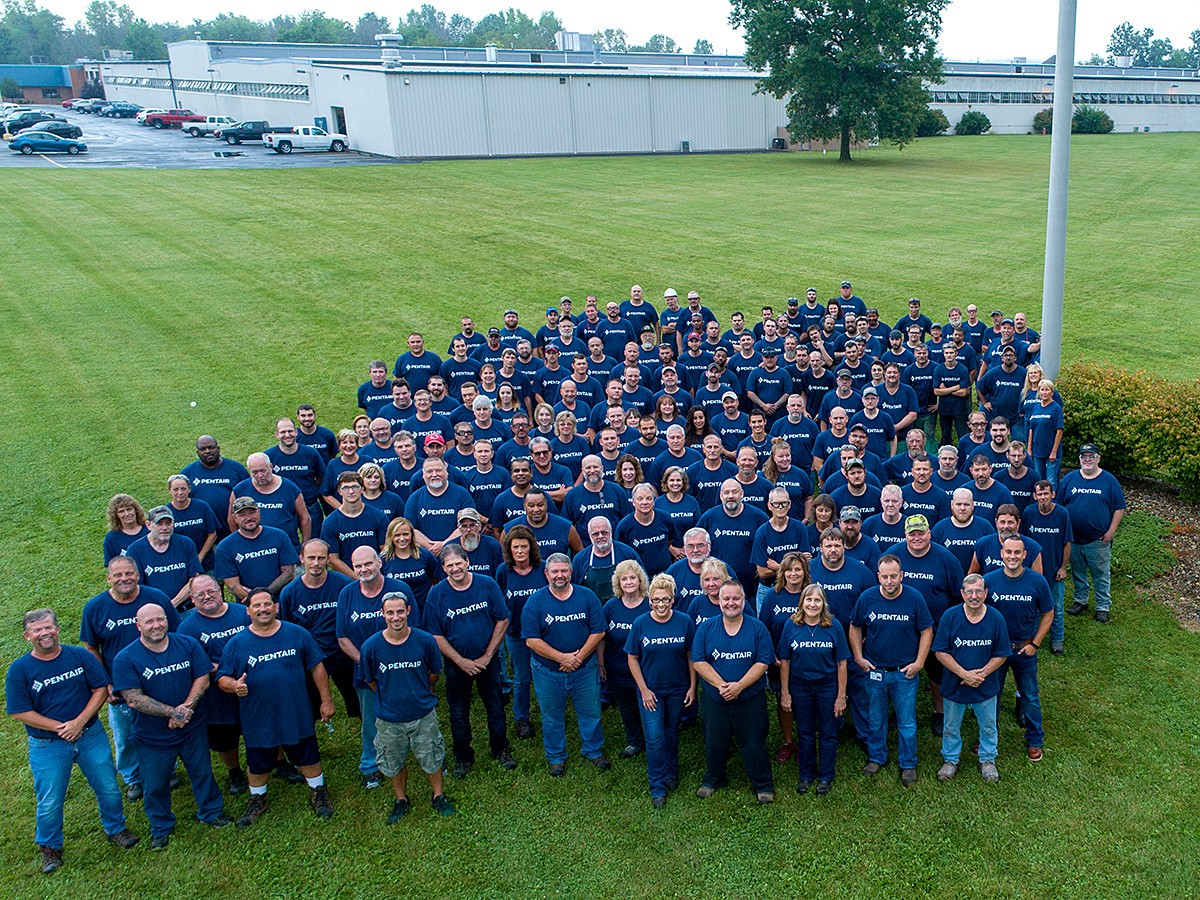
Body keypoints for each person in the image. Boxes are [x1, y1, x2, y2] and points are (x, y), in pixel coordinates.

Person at [6, 608, 139, 873]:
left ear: (57, 629)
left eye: (48, 628)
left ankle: (115, 829)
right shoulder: (20, 670)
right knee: (50, 799)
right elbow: (20, 711)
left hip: (89, 735)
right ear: (26, 636)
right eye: (37, 630)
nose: (45, 633)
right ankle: (50, 847)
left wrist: (79, 722)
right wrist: (61, 728)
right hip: (48, 745)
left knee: (109, 787)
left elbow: (100, 688)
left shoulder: (78, 655)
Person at [112, 604, 231, 848]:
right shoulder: (125, 658)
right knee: (155, 784)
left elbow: (203, 677)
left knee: (202, 772)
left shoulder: (187, 644)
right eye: (149, 622)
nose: (156, 625)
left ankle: (211, 812)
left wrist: (185, 709)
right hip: (152, 736)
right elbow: (133, 698)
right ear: (139, 626)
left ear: (167, 620)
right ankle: (161, 827)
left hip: (192, 727)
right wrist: (172, 713)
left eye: (160, 620)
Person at [216, 589, 335, 826]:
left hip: (296, 711)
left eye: (267, 604)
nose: (263, 609)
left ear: (276, 607)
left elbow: (317, 667)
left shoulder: (297, 634)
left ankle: (318, 792)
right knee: (258, 760)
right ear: (247, 611)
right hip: (258, 716)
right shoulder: (236, 644)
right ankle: (258, 799)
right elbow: (222, 678)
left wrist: (326, 700)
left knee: (308, 755)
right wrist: (233, 686)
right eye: (256, 606)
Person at [81, 556, 179, 802]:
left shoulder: (156, 598)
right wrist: (107, 683)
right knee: (126, 735)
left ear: (138, 575)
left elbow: (177, 635)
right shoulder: (95, 608)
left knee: (163, 725)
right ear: (108, 579)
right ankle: (134, 778)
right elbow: (91, 648)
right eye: (117, 575)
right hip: (121, 686)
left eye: (129, 574)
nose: (124, 579)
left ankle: (168, 770)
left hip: (160, 678)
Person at [360, 591, 456, 822]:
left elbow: (434, 673)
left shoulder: (425, 641)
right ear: (382, 614)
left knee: (432, 756)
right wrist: (390, 696)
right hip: (389, 718)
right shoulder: (371, 647)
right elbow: (370, 680)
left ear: (409, 611)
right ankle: (401, 799)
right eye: (390, 612)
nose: (396, 617)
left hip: (422, 714)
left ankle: (438, 795)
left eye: (400, 611)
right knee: (392, 762)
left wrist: (419, 691)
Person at [426, 544, 515, 778]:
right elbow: (435, 635)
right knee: (458, 713)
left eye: (458, 563)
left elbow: (503, 620)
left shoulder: (487, 584)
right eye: (449, 565)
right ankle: (463, 756)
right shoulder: (436, 594)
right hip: (456, 665)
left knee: (495, 707)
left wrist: (487, 655)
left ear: (467, 562)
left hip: (489, 661)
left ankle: (501, 749)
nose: (455, 569)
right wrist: (461, 661)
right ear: (443, 569)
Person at [849, 555, 934, 786]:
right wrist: (858, 657)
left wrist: (919, 663)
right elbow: (855, 626)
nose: (889, 581)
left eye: (893, 576)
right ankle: (877, 757)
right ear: (878, 576)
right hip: (875, 671)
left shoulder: (914, 598)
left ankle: (908, 763)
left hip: (904, 672)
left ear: (901, 575)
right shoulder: (867, 598)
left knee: (907, 722)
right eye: (884, 577)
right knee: (875, 719)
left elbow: (927, 630)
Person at [522, 553, 609, 775]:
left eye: (564, 571)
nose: (559, 575)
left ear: (571, 572)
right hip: (548, 671)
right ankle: (556, 757)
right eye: (554, 571)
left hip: (585, 669)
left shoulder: (587, 597)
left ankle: (593, 750)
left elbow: (598, 631)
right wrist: (562, 658)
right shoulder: (535, 602)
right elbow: (531, 640)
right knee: (551, 716)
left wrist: (577, 658)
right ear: (546, 574)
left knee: (590, 711)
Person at [691, 579, 776, 804]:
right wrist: (721, 685)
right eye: (726, 598)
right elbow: (698, 661)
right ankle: (713, 779)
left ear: (743, 600)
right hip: (715, 699)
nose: (731, 603)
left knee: (754, 742)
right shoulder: (706, 628)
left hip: (749, 699)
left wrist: (739, 686)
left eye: (736, 598)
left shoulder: (757, 628)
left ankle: (763, 784)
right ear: (718, 601)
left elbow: (763, 662)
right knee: (715, 741)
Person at [624, 573, 695, 808]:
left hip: (677, 690)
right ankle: (657, 786)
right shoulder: (641, 623)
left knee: (672, 731)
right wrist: (643, 689)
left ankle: (671, 771)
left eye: (665, 599)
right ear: (649, 600)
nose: (661, 604)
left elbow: (691, 656)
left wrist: (693, 687)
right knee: (654, 738)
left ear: (673, 599)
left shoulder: (684, 621)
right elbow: (632, 658)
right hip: (651, 691)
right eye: (656, 600)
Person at [932, 574, 1010, 784]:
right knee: (950, 725)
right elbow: (940, 651)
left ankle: (987, 760)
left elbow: (1001, 653)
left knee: (988, 726)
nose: (974, 596)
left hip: (985, 685)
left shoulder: (996, 618)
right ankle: (950, 760)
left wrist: (981, 674)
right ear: (962, 594)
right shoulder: (950, 617)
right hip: (955, 684)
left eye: (978, 592)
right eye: (969, 591)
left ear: (986, 593)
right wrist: (963, 673)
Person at [179, 573, 252, 795]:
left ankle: (278, 762)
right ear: (192, 599)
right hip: (215, 693)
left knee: (263, 724)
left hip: (252, 680)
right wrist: (227, 671)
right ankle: (234, 771)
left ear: (220, 591)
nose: (207, 596)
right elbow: (195, 661)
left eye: (211, 591)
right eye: (200, 594)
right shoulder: (187, 628)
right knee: (224, 736)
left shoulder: (243, 613)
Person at [984, 536, 1053, 761]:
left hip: (1024, 650)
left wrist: (1035, 643)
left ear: (1025, 555)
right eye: (1008, 552)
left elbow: (1048, 613)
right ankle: (988, 739)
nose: (1012, 556)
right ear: (1001, 554)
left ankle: (1034, 740)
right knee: (992, 696)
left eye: (1017, 553)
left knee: (1030, 696)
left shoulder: (1037, 581)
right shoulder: (989, 581)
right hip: (998, 652)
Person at [278, 541, 360, 728]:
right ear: (301, 559)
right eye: (311, 558)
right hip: (310, 660)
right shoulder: (289, 593)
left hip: (343, 655)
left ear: (328, 559)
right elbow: (288, 631)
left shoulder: (344, 586)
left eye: (321, 558)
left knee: (359, 704)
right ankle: (307, 749)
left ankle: (373, 743)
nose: (316, 563)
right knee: (308, 709)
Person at [779, 584, 850, 795]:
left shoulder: (834, 626)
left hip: (827, 685)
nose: (812, 604)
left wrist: (841, 696)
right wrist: (785, 692)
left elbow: (842, 664)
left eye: (817, 600)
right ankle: (806, 774)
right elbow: (785, 661)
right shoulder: (791, 626)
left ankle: (826, 776)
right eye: (808, 600)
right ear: (802, 603)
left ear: (823, 604)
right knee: (805, 731)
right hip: (800, 686)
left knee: (828, 732)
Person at [1061, 443, 1125, 623]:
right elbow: (1059, 505)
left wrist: (1111, 532)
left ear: (1098, 458)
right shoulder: (1069, 479)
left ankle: (1102, 605)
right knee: (1077, 571)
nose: (1087, 460)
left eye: (1091, 456)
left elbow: (1119, 508)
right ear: (1079, 459)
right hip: (1073, 539)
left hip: (1098, 540)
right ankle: (1081, 600)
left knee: (1101, 574)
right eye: (1084, 456)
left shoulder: (1109, 480)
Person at [600, 559, 652, 761]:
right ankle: (635, 740)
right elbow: (602, 638)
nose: (629, 582)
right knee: (626, 707)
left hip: (646, 671)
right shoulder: (611, 606)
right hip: (618, 670)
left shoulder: (650, 604)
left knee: (649, 707)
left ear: (640, 580)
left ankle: (653, 740)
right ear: (618, 583)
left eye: (633, 578)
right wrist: (600, 662)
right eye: (624, 579)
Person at [1021, 480, 1074, 654]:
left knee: (1056, 607)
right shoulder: (1029, 513)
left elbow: (1067, 542)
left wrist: (1064, 567)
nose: (1043, 497)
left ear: (1053, 495)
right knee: (1033, 607)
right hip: (1034, 572)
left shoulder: (1062, 514)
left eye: (1046, 494)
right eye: (1039, 494)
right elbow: (1024, 542)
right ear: (1035, 496)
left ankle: (1057, 639)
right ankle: (1034, 638)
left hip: (1054, 570)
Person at [213, 497, 298, 602]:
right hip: (248, 606)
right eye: (242, 515)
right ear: (234, 518)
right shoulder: (225, 547)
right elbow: (232, 585)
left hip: (282, 602)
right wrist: (256, 600)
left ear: (259, 512)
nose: (248, 518)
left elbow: (288, 573)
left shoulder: (279, 536)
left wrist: (267, 595)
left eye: (252, 512)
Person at [698, 479, 769, 602]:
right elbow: (695, 542)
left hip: (751, 587)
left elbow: (772, 541)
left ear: (742, 494)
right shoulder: (709, 517)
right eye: (726, 493)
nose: (730, 496)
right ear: (721, 496)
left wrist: (763, 564)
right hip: (717, 587)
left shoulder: (758, 517)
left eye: (734, 492)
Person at [126, 505, 202, 610]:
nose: (165, 528)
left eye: (168, 523)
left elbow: (194, 579)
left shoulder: (185, 544)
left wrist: (172, 604)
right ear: (148, 525)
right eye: (159, 523)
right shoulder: (135, 550)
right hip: (153, 610)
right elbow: (137, 586)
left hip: (188, 607)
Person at [181, 436, 250, 543]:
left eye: (211, 447)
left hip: (234, 534)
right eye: (203, 449)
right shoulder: (188, 474)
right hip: (203, 539)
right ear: (197, 452)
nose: (208, 451)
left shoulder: (236, 469)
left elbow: (250, 497)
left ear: (218, 448)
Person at [320, 471, 389, 577]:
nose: (351, 491)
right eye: (346, 488)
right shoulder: (330, 523)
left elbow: (385, 550)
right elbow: (332, 559)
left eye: (355, 487)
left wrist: (372, 574)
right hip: (346, 579)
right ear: (339, 491)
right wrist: (356, 578)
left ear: (362, 489)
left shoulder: (378, 516)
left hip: (376, 575)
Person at [617, 482, 683, 578]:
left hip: (665, 575)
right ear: (633, 502)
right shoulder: (624, 527)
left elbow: (672, 541)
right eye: (640, 499)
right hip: (639, 579)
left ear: (653, 501)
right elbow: (622, 554)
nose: (645, 502)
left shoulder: (665, 518)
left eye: (649, 498)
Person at [166, 474, 219, 567]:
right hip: (180, 564)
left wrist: (200, 557)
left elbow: (212, 535)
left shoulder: (202, 507)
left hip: (206, 562)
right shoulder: (166, 512)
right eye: (175, 489)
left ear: (189, 489)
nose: (180, 492)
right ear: (169, 491)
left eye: (183, 489)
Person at [103, 493, 149, 565]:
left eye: (129, 509)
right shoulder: (112, 538)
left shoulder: (149, 529)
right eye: (121, 511)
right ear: (115, 515)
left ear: (136, 510)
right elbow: (111, 566)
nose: (127, 514)